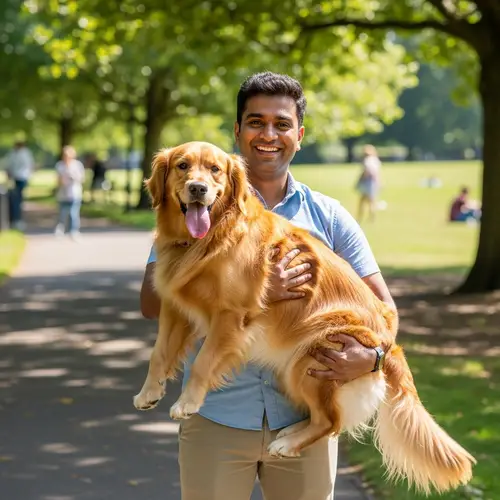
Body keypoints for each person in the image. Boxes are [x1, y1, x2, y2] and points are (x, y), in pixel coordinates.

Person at [140, 72, 397, 500]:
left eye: (281, 124)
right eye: (255, 122)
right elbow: (152, 304)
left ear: (299, 134)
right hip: (217, 415)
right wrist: (257, 292)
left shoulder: (329, 216)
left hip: (300, 411)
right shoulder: (191, 210)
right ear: (238, 131)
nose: (268, 135)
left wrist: (373, 358)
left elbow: (383, 308)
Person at [54, 145, 85, 240]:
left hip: (74, 193)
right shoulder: (60, 166)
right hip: (63, 193)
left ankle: (73, 231)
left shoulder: (77, 165)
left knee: (73, 213)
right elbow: (58, 180)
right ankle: (61, 229)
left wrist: (73, 176)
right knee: (63, 213)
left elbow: (82, 178)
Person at [5, 139, 35, 231]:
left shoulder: (17, 154)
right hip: (20, 177)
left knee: (17, 199)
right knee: (17, 199)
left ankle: (16, 219)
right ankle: (16, 219)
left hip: (19, 177)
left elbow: (9, 166)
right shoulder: (23, 153)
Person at [355, 144, 382, 223]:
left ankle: (360, 218)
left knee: (362, 201)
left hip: (367, 182)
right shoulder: (376, 160)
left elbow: (367, 172)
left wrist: (360, 180)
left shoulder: (367, 160)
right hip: (373, 182)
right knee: (371, 201)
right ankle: (371, 218)